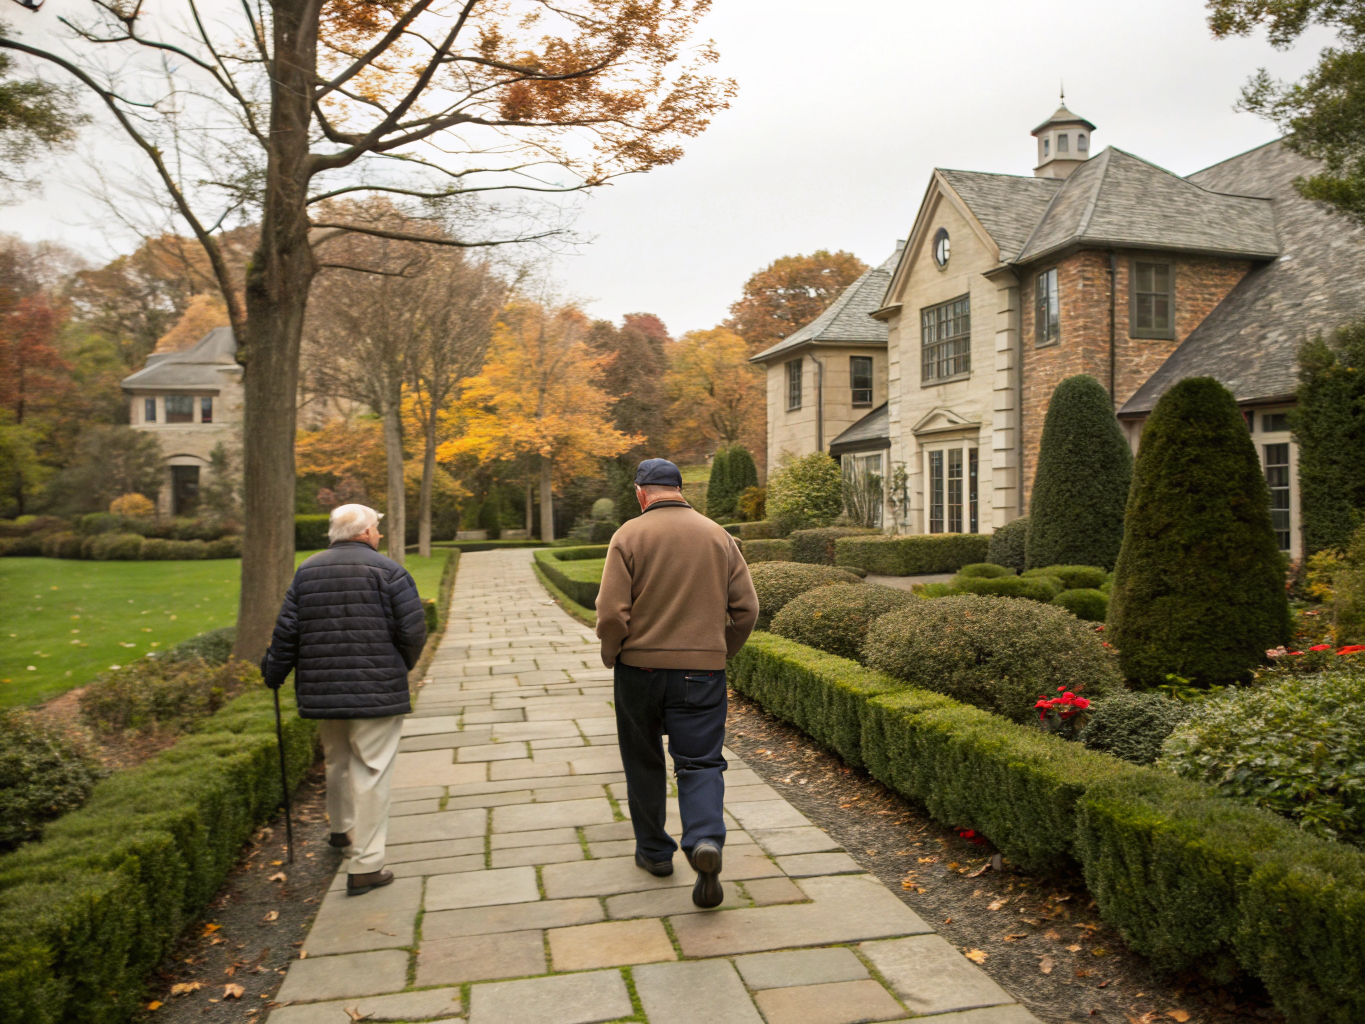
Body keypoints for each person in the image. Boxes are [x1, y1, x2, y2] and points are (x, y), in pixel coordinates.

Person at [595, 458, 759, 908]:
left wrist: (613, 654)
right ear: (681, 490)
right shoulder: (718, 535)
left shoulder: (628, 535)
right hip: (702, 673)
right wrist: (719, 650)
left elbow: (611, 614)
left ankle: (655, 853)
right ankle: (705, 841)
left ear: (640, 492)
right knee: (701, 762)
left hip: (639, 672)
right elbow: (747, 610)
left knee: (643, 760)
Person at [261, 503, 427, 896]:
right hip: (376, 691)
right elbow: (413, 630)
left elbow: (287, 631)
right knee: (372, 769)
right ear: (366, 532)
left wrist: (274, 672)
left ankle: (341, 830)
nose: (380, 536)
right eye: (377, 530)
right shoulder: (389, 571)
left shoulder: (308, 570)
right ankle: (366, 864)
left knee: (336, 759)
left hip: (323, 688)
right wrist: (399, 665)